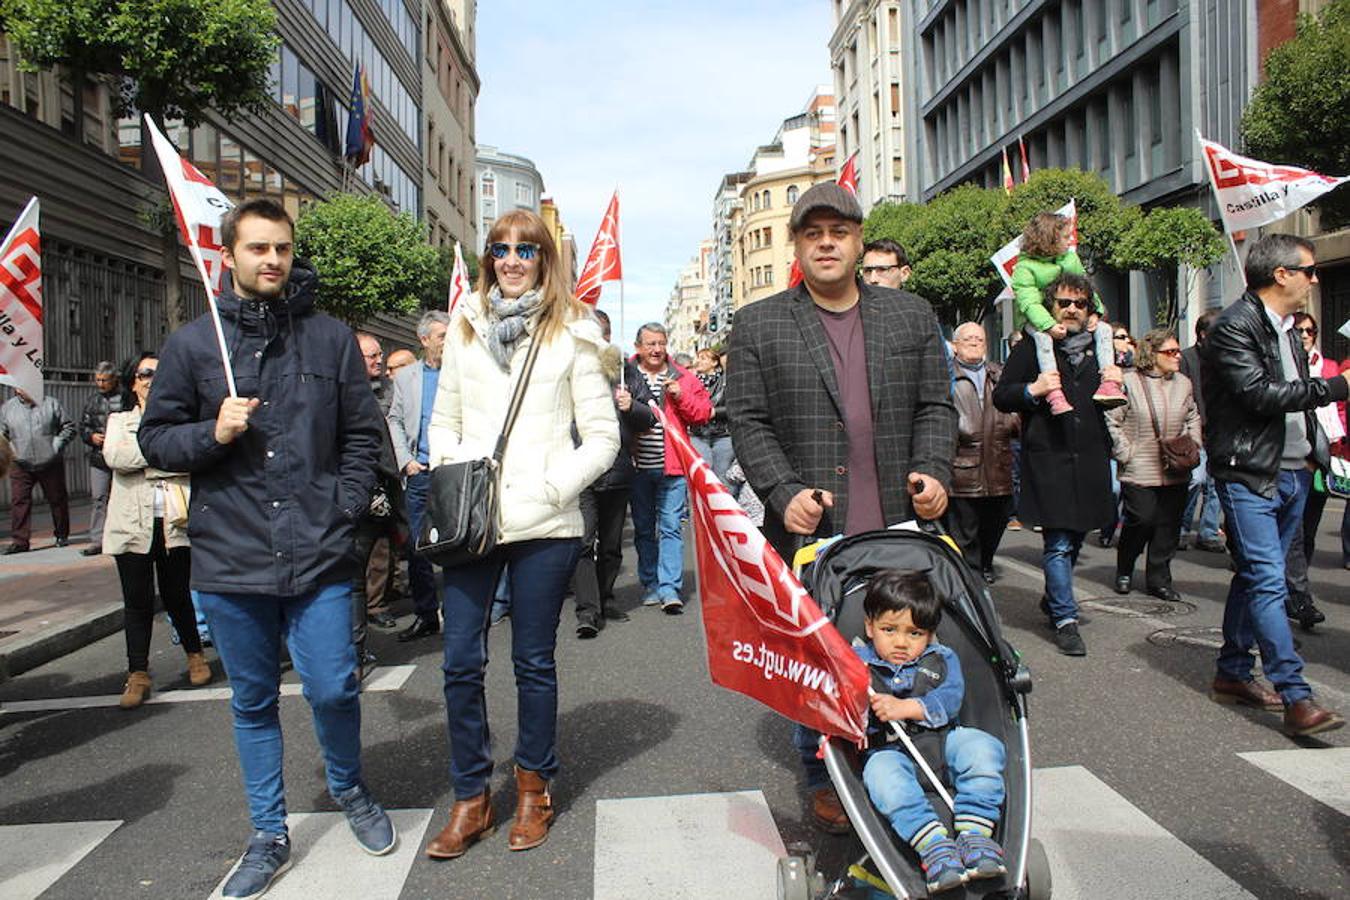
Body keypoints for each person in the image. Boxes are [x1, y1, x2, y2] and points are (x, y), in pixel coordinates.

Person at [138, 198, 394, 897]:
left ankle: (350, 788)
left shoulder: (330, 340)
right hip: (230, 557)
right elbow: (154, 439)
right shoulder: (195, 346)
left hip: (318, 554)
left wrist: (341, 510)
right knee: (252, 700)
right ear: (230, 255)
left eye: (281, 247)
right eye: (257, 248)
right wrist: (210, 434)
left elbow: (362, 437)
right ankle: (268, 832)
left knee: (335, 685)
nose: (272, 259)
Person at [726, 181, 956, 835]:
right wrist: (781, 489)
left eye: (840, 231)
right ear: (798, 245)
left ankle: (903, 758)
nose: (827, 243)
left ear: (858, 241)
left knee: (903, 644)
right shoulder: (759, 323)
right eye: (812, 233)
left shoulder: (911, 315)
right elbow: (746, 419)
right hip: (811, 528)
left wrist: (935, 471)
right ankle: (824, 775)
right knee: (818, 655)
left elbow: (936, 406)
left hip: (898, 523)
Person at [420, 209, 619, 859]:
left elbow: (603, 439)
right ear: (487, 259)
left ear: (543, 259)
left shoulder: (574, 333)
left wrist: (549, 488)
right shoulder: (465, 330)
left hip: (545, 524)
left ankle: (534, 788)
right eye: (500, 249)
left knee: (532, 662)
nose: (511, 259)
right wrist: (460, 473)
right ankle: (472, 797)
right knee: (459, 662)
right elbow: (442, 418)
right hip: (472, 521)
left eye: (525, 250)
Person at [1200, 233, 1347, 737]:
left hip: (1294, 471)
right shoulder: (1233, 327)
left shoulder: (1288, 329)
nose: (1314, 279)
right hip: (1249, 474)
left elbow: (1295, 400)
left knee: (1253, 577)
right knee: (1268, 580)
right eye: (1309, 270)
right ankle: (1296, 696)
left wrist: (1313, 455)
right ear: (1281, 274)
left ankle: (1233, 671)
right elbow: (1258, 394)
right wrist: (1337, 386)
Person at [856, 570, 1007, 894]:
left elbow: (950, 699)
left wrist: (907, 708)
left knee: (983, 746)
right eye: (889, 630)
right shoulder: (855, 665)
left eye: (914, 633)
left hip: (941, 740)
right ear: (870, 627)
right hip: (891, 751)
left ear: (929, 634)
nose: (900, 642)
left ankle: (975, 832)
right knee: (882, 776)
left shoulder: (940, 658)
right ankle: (933, 844)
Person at [993, 273, 1119, 657]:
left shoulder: (1102, 347)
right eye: (1064, 303)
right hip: (1049, 456)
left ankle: (1054, 598)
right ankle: (1065, 619)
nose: (1071, 310)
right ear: (1051, 307)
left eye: (1079, 304)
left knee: (1079, 534)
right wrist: (1033, 390)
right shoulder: (1034, 347)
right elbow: (1002, 395)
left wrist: (1117, 378)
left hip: (1091, 455)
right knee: (1060, 542)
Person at [102, 352, 211, 708]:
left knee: (177, 594)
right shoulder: (118, 420)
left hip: (175, 522)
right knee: (137, 602)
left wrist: (153, 456)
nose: (152, 379)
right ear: (133, 381)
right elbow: (116, 459)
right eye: (145, 373)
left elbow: (188, 459)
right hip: (132, 524)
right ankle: (137, 674)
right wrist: (161, 453)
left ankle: (196, 656)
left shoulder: (182, 420)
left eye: (159, 373)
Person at [573, 308, 656, 638]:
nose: (597, 338)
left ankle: (605, 598)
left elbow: (650, 416)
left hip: (617, 469)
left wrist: (630, 406)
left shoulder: (626, 371)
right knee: (582, 542)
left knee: (610, 545)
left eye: (602, 332)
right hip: (578, 470)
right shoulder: (567, 368)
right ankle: (587, 611)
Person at [1104, 329, 1201, 602]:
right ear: (1152, 354)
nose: (1177, 356)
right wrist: (1126, 452)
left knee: (1168, 526)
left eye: (1178, 351)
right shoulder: (1129, 382)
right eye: (1170, 352)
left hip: (1176, 466)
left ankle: (1159, 579)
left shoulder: (1183, 383)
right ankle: (1125, 567)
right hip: (1139, 467)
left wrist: (1194, 443)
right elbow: (1112, 420)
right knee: (1142, 519)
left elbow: (1193, 415)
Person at [629, 322, 711, 614]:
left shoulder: (683, 376)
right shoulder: (625, 375)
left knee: (671, 528)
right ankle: (650, 583)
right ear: (638, 347)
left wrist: (680, 395)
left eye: (661, 343)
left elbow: (703, 413)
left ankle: (669, 588)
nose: (656, 349)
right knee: (642, 529)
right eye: (650, 344)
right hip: (637, 467)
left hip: (672, 468)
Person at [1009, 212, 1124, 415]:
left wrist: (1096, 312)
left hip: (1090, 441)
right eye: (1065, 236)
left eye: (1078, 304)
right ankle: (1054, 393)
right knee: (1043, 339)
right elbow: (1029, 302)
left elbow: (1087, 288)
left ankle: (1109, 381)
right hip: (1038, 323)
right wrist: (1048, 325)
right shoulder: (1024, 268)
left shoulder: (1070, 258)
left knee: (1105, 329)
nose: (1070, 240)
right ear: (1049, 238)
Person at [387, 310, 451, 643]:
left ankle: (459, 614)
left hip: (454, 473)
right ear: (424, 340)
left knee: (459, 544)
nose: (448, 340)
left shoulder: (463, 373)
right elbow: (394, 419)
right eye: (442, 336)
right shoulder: (406, 377)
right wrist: (406, 461)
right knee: (417, 549)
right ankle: (427, 615)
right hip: (420, 473)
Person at [1281, 312, 1343, 630]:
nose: (1305, 334)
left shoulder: (1328, 366)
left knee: (1307, 531)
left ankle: (1294, 591)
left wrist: (1336, 447)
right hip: (1290, 459)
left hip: (1320, 458)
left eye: (1310, 330)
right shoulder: (1286, 364)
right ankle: (1299, 598)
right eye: (1300, 330)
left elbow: (1336, 410)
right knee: (1291, 534)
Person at [944, 322, 1018, 585]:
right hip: (961, 470)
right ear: (955, 346)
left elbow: (1014, 406)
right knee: (965, 531)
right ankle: (970, 578)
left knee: (996, 523)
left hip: (998, 465)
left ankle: (985, 561)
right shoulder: (945, 375)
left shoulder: (999, 373)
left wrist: (1014, 421)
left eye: (980, 339)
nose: (975, 343)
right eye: (968, 339)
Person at [353, 332, 401, 635]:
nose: (379, 360)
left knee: (382, 550)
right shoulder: (346, 393)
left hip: (384, 482)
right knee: (353, 565)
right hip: (354, 485)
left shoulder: (390, 390)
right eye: (372, 356)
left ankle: (377, 605)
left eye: (379, 354)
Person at [1, 387, 75, 554]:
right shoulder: (8, 408)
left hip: (49, 461)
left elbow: (69, 427)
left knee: (57, 499)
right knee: (19, 501)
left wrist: (57, 444)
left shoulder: (50, 403)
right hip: (20, 462)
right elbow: (2, 434)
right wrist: (10, 449)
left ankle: (61, 534)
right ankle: (20, 541)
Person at [1179, 311, 1226, 553]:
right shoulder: (1187, 358)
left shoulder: (1226, 358)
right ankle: (1181, 528)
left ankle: (1208, 532)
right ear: (1203, 334)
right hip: (1195, 430)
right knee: (1194, 480)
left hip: (1220, 430)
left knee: (1215, 485)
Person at [79, 361, 125, 555]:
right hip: (98, 457)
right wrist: (91, 437)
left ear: (114, 379)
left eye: (104, 380)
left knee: (121, 498)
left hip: (121, 455)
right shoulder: (92, 400)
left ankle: (121, 537)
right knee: (98, 498)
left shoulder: (126, 399)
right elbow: (82, 426)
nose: (100, 384)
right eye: (97, 380)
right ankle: (97, 540)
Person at [687, 347, 732, 484]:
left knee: (723, 479)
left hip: (722, 435)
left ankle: (722, 506)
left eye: (703, 358)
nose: (698, 361)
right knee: (702, 476)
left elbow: (735, 407)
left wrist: (714, 413)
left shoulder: (726, 381)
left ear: (714, 363)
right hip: (698, 435)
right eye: (698, 358)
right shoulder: (691, 382)